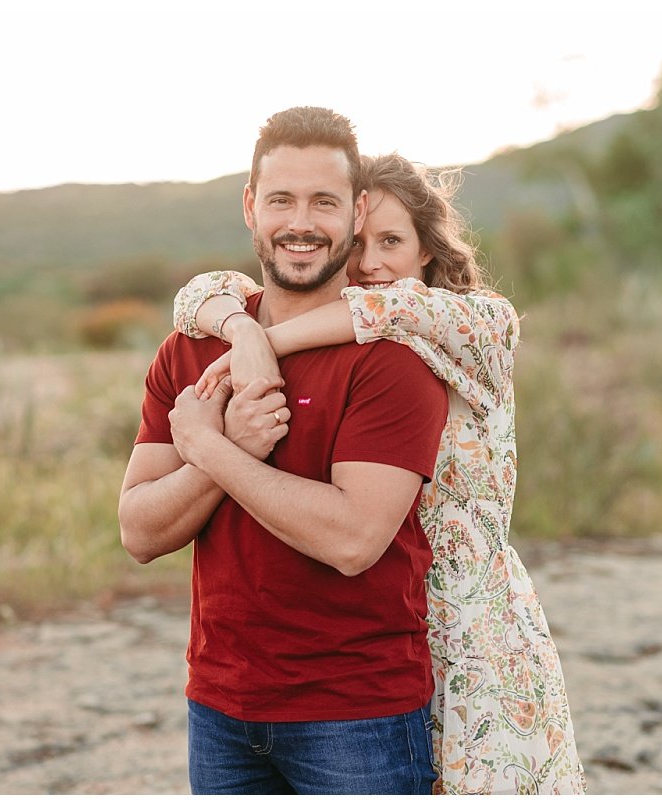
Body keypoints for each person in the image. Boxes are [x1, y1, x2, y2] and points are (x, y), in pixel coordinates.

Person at [171, 153, 587, 794]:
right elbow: (196, 293)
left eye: (392, 242)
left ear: (428, 251)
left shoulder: (473, 322)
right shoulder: (346, 331)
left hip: (467, 627)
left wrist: (259, 342)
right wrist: (236, 323)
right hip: (382, 620)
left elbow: (382, 312)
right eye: (358, 243)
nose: (368, 264)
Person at [118, 108, 448, 795]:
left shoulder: (391, 360)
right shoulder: (191, 349)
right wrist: (230, 442)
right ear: (250, 206)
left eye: (323, 201)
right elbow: (139, 528)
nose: (301, 222)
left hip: (358, 717)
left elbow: (354, 538)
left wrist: (213, 449)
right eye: (281, 199)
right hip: (219, 707)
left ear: (357, 213)